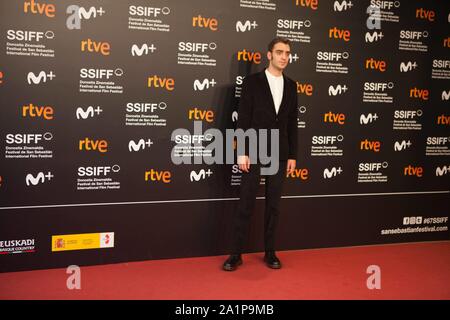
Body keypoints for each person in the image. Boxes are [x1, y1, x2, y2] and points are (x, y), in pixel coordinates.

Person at [223, 37, 298, 271]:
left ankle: (270, 253)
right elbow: (243, 118)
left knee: (273, 206)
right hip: (253, 149)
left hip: (280, 152)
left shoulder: (292, 85)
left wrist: (293, 155)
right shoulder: (252, 82)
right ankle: (235, 255)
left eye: (287, 53)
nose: (284, 56)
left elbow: (292, 123)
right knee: (245, 203)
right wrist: (242, 151)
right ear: (269, 55)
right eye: (279, 52)